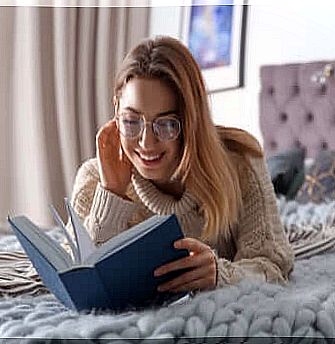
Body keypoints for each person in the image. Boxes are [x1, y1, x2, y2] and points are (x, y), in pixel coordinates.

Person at [68, 35, 294, 294]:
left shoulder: (241, 163)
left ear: (191, 122)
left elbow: (274, 265)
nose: (146, 142)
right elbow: (75, 275)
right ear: (116, 108)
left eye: (166, 124)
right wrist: (112, 194)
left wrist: (222, 274)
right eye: (131, 121)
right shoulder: (94, 177)